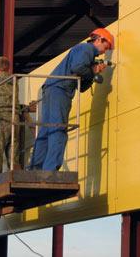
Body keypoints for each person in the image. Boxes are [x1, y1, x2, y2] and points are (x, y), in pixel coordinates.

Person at [28, 28, 114, 171]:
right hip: (60, 90)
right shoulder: (87, 49)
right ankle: (50, 170)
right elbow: (78, 68)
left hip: (52, 87)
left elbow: (81, 86)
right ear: (99, 40)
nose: (105, 51)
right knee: (58, 128)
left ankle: (35, 169)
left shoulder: (83, 51)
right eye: (106, 47)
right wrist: (93, 70)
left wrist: (93, 72)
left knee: (46, 129)